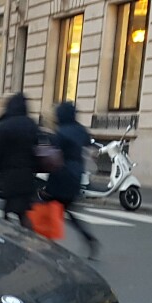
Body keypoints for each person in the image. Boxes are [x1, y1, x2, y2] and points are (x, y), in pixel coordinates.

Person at [46, 101, 100, 258]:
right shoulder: (81, 130)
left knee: (52, 208)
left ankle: (49, 243)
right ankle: (88, 238)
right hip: (76, 175)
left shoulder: (61, 132)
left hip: (61, 175)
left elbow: (53, 154)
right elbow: (89, 146)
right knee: (66, 210)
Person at [0, 93, 38, 228]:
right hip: (26, 176)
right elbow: (36, 149)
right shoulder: (31, 125)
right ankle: (30, 238)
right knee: (22, 213)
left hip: (10, 176)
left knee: (7, 211)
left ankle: (7, 241)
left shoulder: (4, 126)